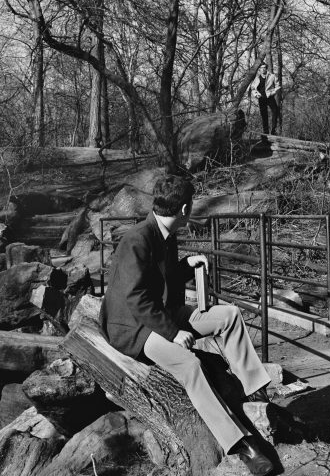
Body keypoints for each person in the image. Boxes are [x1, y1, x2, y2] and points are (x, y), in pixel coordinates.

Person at [99, 175, 275, 476]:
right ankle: (242, 445)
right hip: (134, 328)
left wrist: (186, 265)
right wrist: (172, 332)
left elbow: (158, 282)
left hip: (160, 313)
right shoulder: (137, 239)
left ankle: (254, 389)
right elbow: (136, 297)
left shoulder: (166, 233)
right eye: (191, 205)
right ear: (183, 208)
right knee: (190, 364)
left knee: (230, 314)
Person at [250, 62, 280, 135]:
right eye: (261, 68)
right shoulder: (257, 78)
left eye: (264, 68)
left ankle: (273, 130)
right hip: (261, 98)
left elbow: (278, 86)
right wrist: (256, 95)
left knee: (275, 111)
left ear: (266, 69)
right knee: (264, 115)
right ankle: (265, 132)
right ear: (259, 69)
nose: (263, 69)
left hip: (270, 97)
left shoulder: (272, 76)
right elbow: (253, 88)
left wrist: (273, 92)